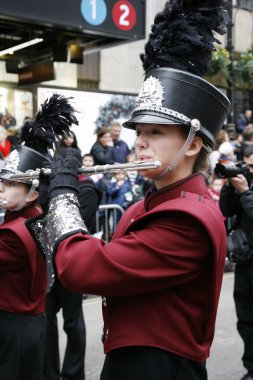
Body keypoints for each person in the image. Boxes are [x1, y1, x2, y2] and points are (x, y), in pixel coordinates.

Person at [27, 1, 230, 379]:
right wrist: (42, 196)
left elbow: (82, 268)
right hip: (132, 358)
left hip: (159, 366)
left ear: (193, 144)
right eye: (140, 133)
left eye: (156, 133)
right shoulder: (152, 205)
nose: (141, 143)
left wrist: (64, 194)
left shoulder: (186, 218)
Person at [0, 93, 77, 380]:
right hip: (30, 323)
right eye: (2, 182)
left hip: (13, 325)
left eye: (10, 184)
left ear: (33, 192)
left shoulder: (13, 234)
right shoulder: (32, 217)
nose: (2, 189)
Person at [43, 150, 101, 380]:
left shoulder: (87, 191)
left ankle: (73, 374)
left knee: (73, 322)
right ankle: (49, 373)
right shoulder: (47, 189)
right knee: (46, 323)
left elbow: (71, 224)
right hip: (48, 264)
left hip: (71, 264)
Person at [219, 144, 253, 380]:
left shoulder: (247, 189)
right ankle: (251, 369)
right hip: (245, 261)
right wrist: (231, 187)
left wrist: (245, 192)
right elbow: (225, 209)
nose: (249, 169)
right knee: (246, 320)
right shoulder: (243, 182)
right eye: (247, 164)